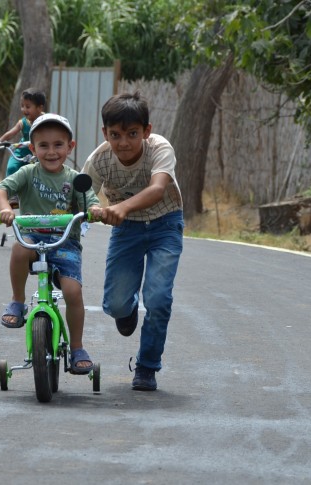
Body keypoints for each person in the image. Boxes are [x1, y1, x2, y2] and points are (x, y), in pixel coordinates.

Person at [81, 92, 184, 391]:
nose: (123, 142)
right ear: (105, 133)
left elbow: (157, 188)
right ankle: (126, 310)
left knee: (159, 299)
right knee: (114, 304)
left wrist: (122, 207)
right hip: (127, 232)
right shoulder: (99, 160)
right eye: (115, 135)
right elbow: (82, 193)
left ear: (147, 131)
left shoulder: (159, 148)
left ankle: (147, 367)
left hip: (165, 225)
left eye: (132, 134)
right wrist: (91, 209)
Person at [0, 113, 101, 374]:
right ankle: (18, 301)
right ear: (33, 149)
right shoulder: (28, 173)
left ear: (70, 147)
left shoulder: (76, 178)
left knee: (73, 293)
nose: (51, 152)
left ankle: (77, 347)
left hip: (65, 243)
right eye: (43, 146)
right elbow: (0, 189)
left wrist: (95, 209)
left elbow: (91, 199)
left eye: (58, 145)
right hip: (33, 238)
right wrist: (6, 209)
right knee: (19, 248)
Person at [0, 88, 46, 177]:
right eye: (22, 106)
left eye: (28, 106)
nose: (24, 109)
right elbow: (10, 134)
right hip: (21, 151)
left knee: (37, 174)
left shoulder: (47, 121)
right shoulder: (22, 123)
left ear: (40, 108)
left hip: (38, 153)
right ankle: (9, 189)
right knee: (12, 168)